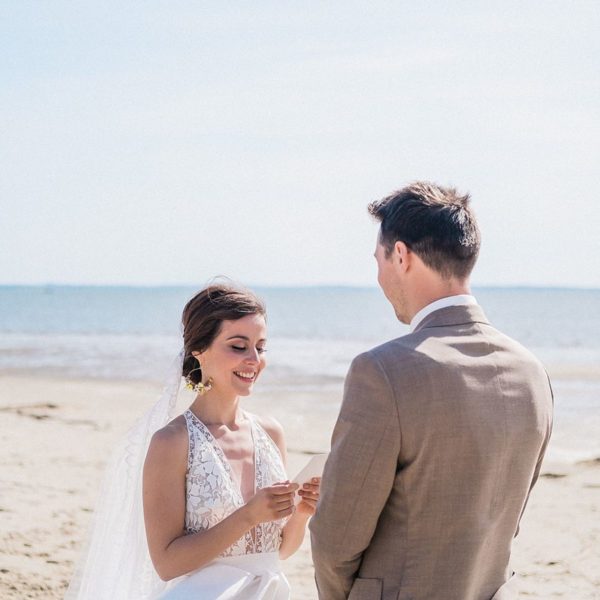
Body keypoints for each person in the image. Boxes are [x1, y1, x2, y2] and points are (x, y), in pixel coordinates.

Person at [310, 182, 553, 600]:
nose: (379, 276)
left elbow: (337, 535)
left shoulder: (383, 372)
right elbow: (508, 521)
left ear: (400, 255)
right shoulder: (532, 372)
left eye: (379, 260)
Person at [66, 283, 320, 600]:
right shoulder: (172, 442)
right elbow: (167, 563)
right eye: (239, 347)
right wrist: (249, 515)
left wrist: (302, 512)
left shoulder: (271, 433)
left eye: (261, 347)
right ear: (199, 350)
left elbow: (279, 550)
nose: (254, 359)